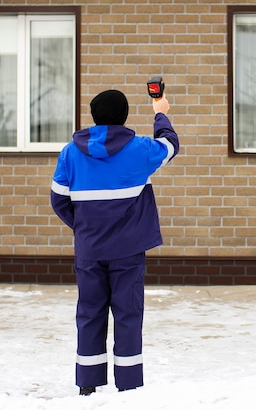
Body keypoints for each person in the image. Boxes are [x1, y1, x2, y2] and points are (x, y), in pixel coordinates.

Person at [50, 89, 179, 396]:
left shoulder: (70, 152)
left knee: (90, 313)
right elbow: (170, 145)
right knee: (128, 315)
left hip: (90, 250)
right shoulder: (139, 150)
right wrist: (160, 111)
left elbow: (58, 200)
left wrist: (83, 228)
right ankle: (129, 387)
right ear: (124, 117)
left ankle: (88, 385)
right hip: (128, 251)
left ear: (94, 116)